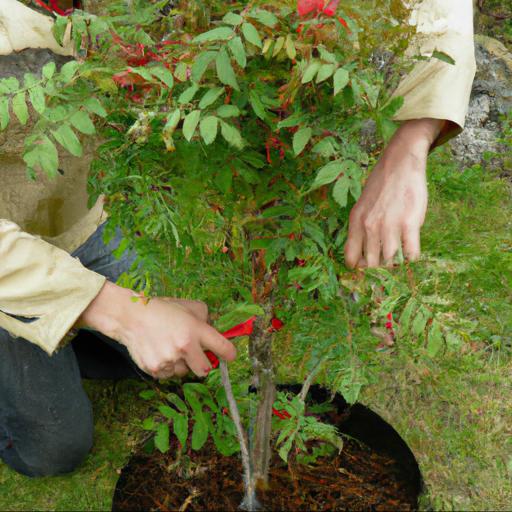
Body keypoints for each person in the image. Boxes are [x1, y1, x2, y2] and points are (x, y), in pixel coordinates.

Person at [0, 0, 476, 476]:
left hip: (73, 210)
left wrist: (410, 142)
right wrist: (118, 312)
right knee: (53, 449)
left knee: (174, 358)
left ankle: (66, 326)